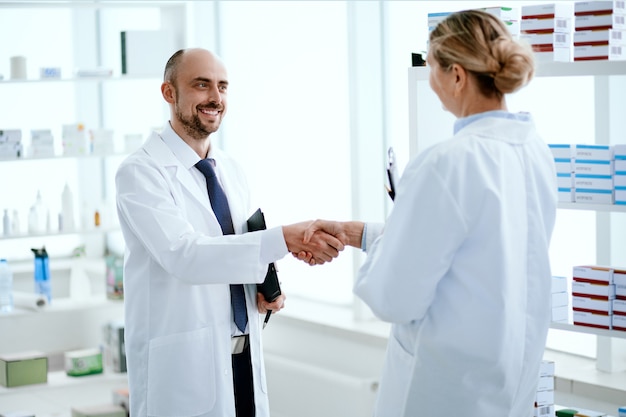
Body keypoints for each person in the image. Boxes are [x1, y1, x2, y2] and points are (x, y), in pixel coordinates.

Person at [300, 9, 558, 417]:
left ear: (456, 75)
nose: (430, 80)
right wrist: (360, 233)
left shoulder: (447, 162)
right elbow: (476, 249)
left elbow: (393, 298)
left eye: (430, 66)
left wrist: (388, 246)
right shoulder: (534, 150)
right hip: (507, 384)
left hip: (449, 390)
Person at [115, 48, 343, 417]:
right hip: (185, 363)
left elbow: (239, 242)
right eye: (201, 85)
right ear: (169, 93)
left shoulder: (231, 169)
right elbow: (185, 256)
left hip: (241, 353)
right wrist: (284, 238)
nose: (215, 98)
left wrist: (265, 285)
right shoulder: (141, 172)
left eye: (222, 86)